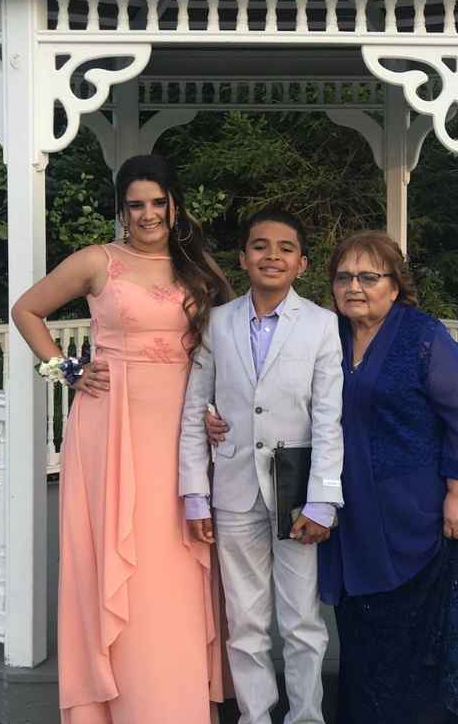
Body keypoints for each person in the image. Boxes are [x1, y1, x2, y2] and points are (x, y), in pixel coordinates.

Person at [11, 155, 232, 724]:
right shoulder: (98, 262)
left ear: (174, 205)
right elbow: (26, 310)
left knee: (178, 564)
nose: (148, 214)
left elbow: (222, 352)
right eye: (136, 204)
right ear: (122, 210)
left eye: (158, 202)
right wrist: (64, 369)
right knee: (116, 560)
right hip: (110, 426)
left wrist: (216, 410)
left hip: (180, 431)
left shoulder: (197, 269)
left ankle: (174, 701)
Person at [319, 231, 458, 724]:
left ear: (394, 286)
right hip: (355, 521)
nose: (355, 286)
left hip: (424, 521)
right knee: (366, 646)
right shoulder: (326, 335)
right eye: (344, 276)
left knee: (425, 654)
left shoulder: (420, 335)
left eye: (368, 276)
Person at [179, 208, 344, 724]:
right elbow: (193, 412)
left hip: (297, 495)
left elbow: (328, 419)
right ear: (242, 258)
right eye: (260, 246)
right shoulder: (218, 323)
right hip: (231, 492)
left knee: (301, 621)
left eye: (285, 248)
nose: (272, 255)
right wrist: (194, 492)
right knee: (245, 621)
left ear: (302, 264)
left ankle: (306, 717)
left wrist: (322, 500)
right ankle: (254, 716)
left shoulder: (321, 325)